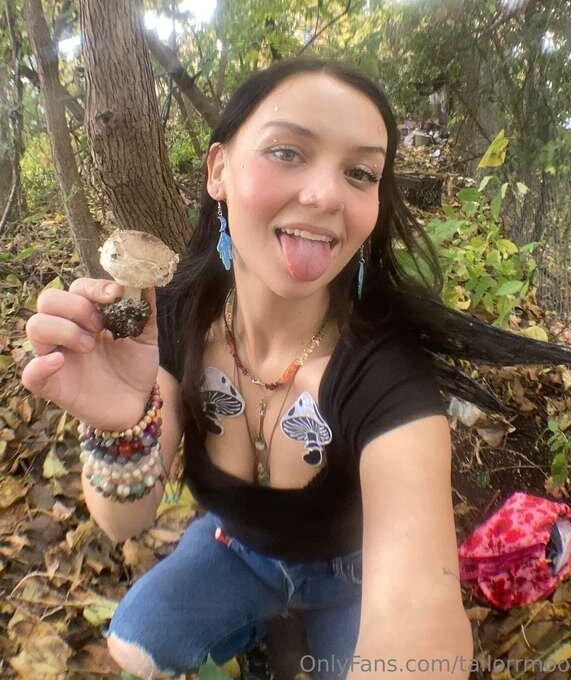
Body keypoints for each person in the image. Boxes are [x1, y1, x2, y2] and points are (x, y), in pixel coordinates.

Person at [21, 57, 473, 680]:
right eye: (287, 152)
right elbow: (124, 520)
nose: (326, 194)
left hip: (353, 576)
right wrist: (120, 424)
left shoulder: (387, 371)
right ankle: (258, 622)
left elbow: (417, 605)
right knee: (134, 648)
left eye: (360, 172)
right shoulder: (172, 316)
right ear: (218, 171)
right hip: (235, 549)